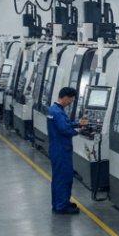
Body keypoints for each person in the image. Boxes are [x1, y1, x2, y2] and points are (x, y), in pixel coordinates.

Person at [47, 87, 86, 215]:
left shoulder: (54, 109)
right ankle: (61, 206)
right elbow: (64, 129)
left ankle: (60, 202)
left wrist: (78, 124)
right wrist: (78, 131)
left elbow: (66, 123)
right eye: (71, 100)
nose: (71, 102)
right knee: (63, 178)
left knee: (60, 177)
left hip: (58, 148)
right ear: (65, 97)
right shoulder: (57, 112)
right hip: (61, 150)